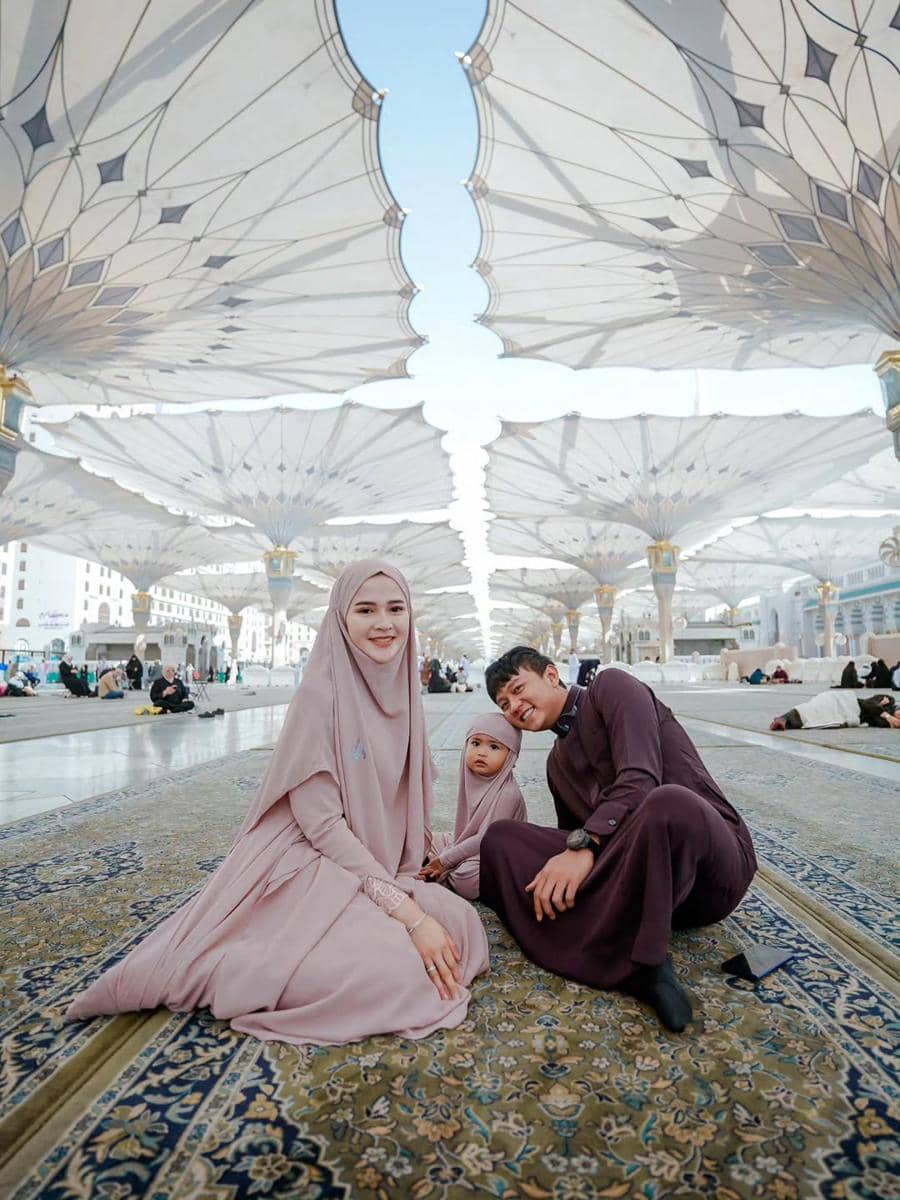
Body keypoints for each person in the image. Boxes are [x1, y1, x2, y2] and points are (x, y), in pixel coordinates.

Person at [66, 562, 489, 1044]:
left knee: (462, 929)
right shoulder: (319, 695)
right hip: (313, 859)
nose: (384, 624)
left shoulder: (403, 692)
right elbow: (322, 825)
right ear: (340, 620)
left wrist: (410, 880)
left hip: (377, 861)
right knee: (398, 974)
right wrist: (408, 915)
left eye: (396, 609)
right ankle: (246, 960)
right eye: (365, 610)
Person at [479, 647, 757, 1033]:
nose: (514, 706)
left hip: (706, 868)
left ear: (551, 675)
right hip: (638, 879)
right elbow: (577, 851)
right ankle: (621, 938)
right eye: (504, 703)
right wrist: (574, 855)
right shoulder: (556, 764)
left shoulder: (611, 687)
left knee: (666, 801)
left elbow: (641, 778)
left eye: (518, 688)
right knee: (500, 838)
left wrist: (585, 845)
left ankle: (645, 963)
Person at [418, 715, 527, 900]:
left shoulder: (509, 794)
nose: (482, 752)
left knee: (466, 880)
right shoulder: (472, 780)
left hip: (497, 853)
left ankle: (440, 872)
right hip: (468, 843)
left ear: (511, 756)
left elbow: (485, 838)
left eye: (494, 746)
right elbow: (467, 833)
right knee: (422, 838)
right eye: (475, 743)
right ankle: (438, 867)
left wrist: (445, 861)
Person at [770, 691, 899, 731]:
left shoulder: (887, 723)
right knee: (814, 707)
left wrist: (889, 721)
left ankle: (785, 723)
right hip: (847, 701)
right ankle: (783, 718)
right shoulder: (889, 700)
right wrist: (887, 715)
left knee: (818, 716)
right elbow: (868, 703)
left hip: (849, 714)